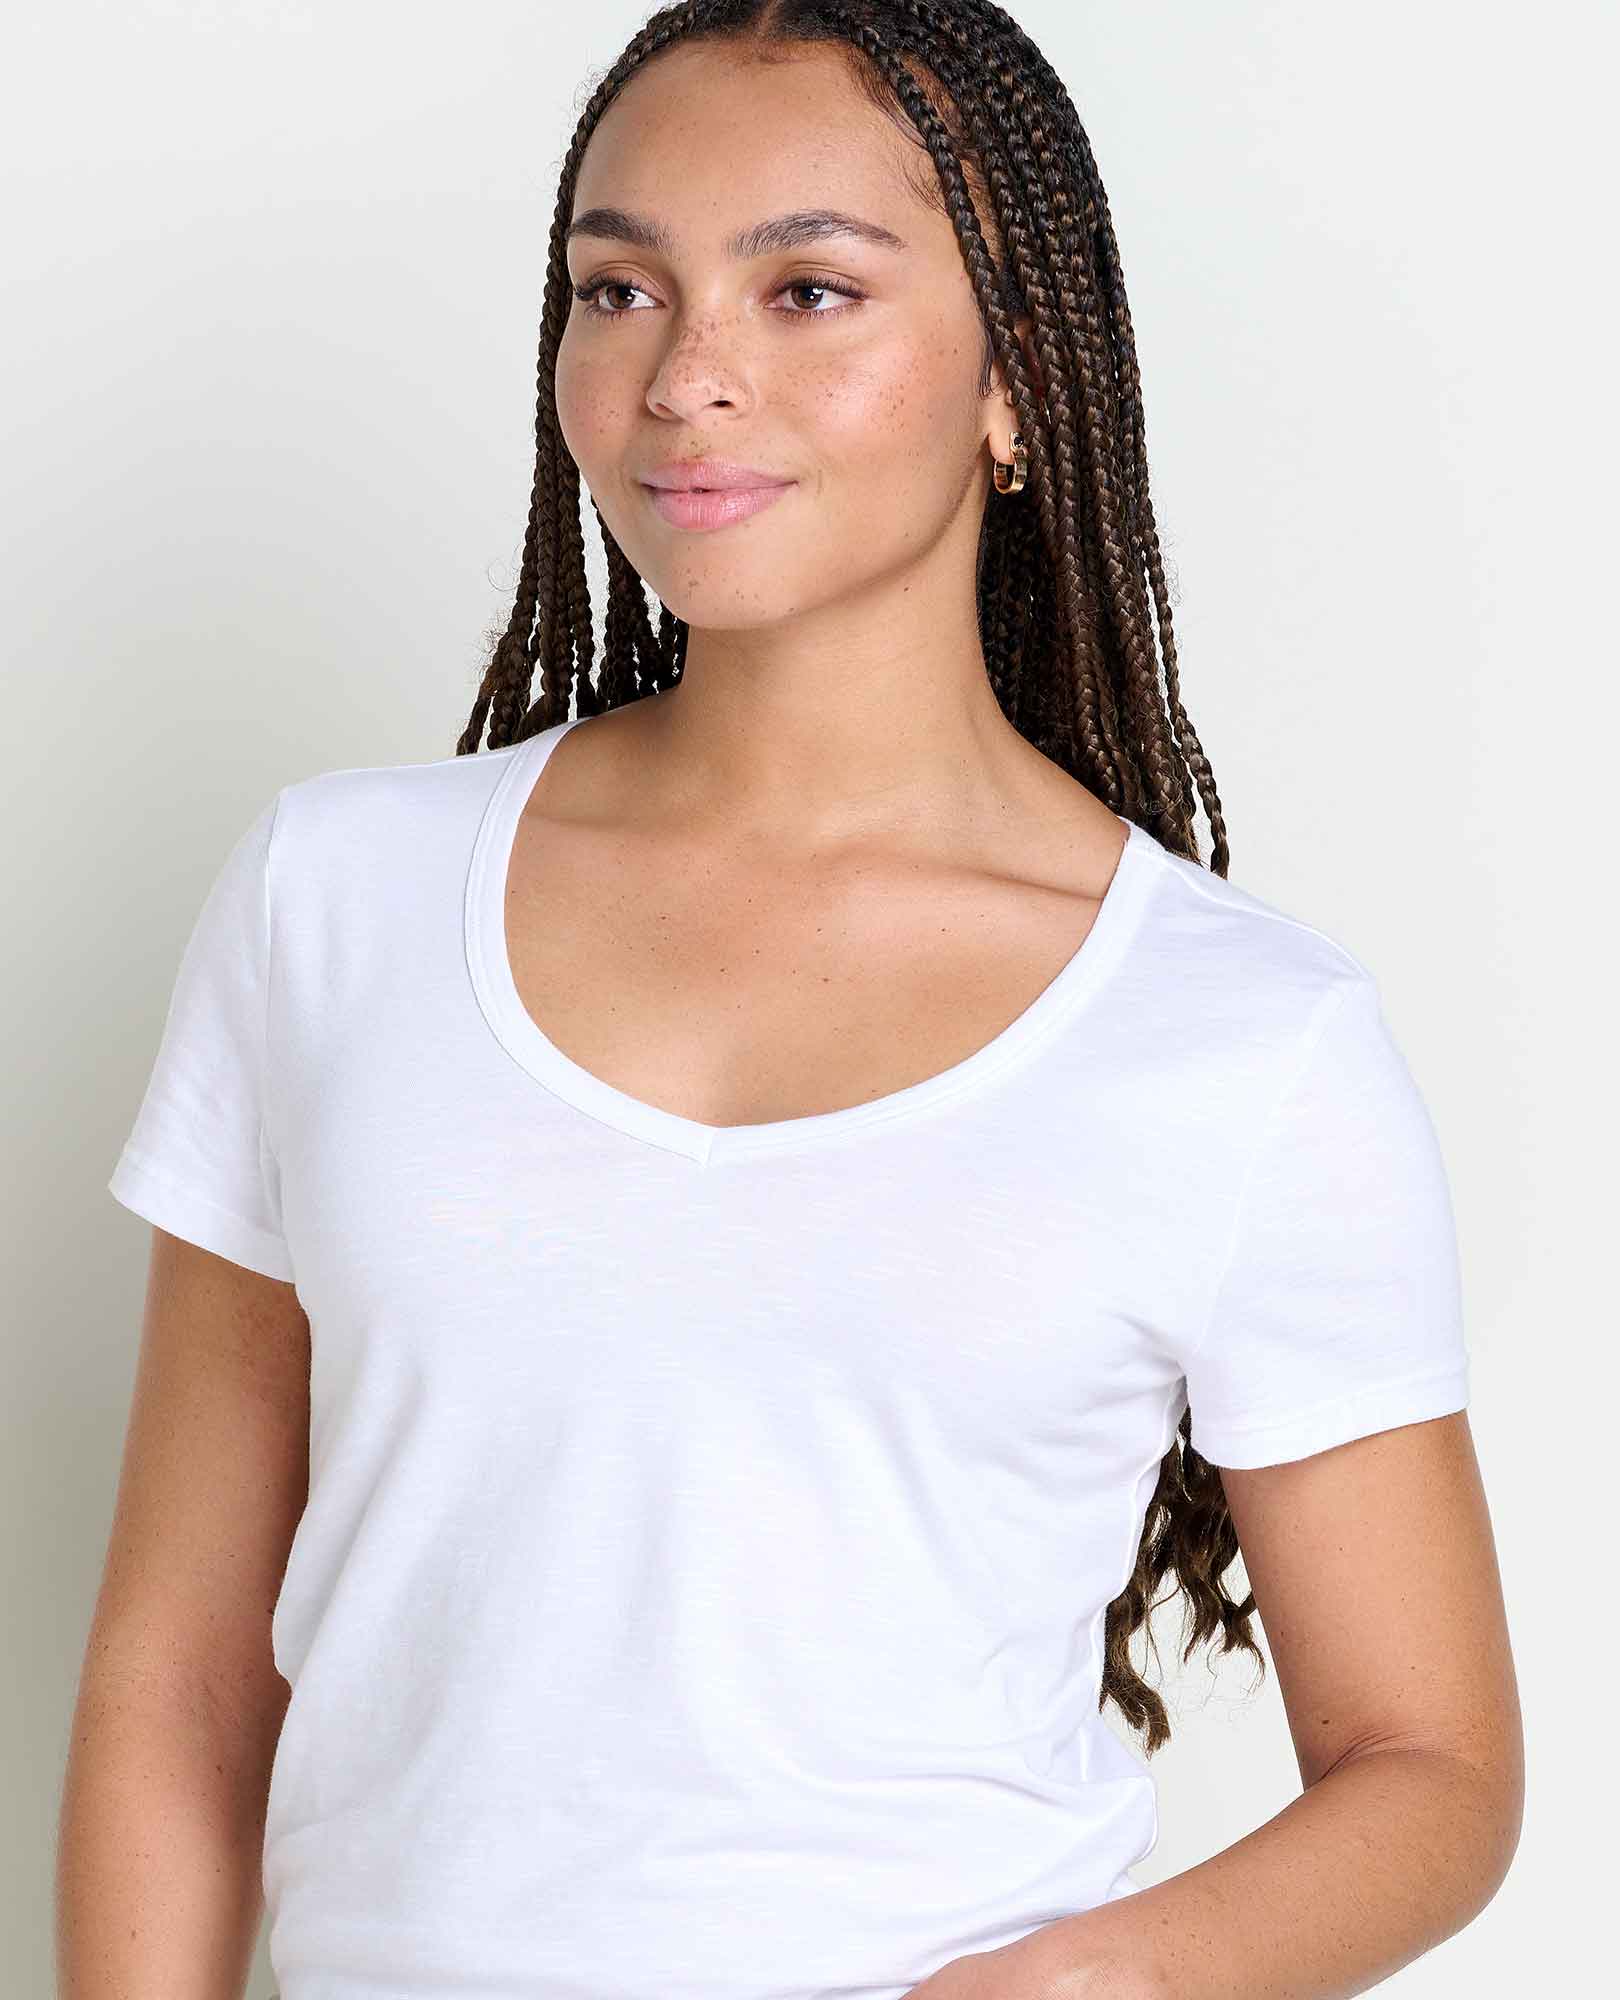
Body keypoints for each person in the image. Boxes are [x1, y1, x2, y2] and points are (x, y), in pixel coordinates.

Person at [62, 4, 1522, 1998]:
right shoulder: (337, 900)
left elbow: (1432, 1767)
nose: (687, 377)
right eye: (618, 289)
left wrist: (1087, 1985)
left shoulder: (1244, 1040)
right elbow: (182, 1673)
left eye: (807, 288)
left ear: (1018, 381)